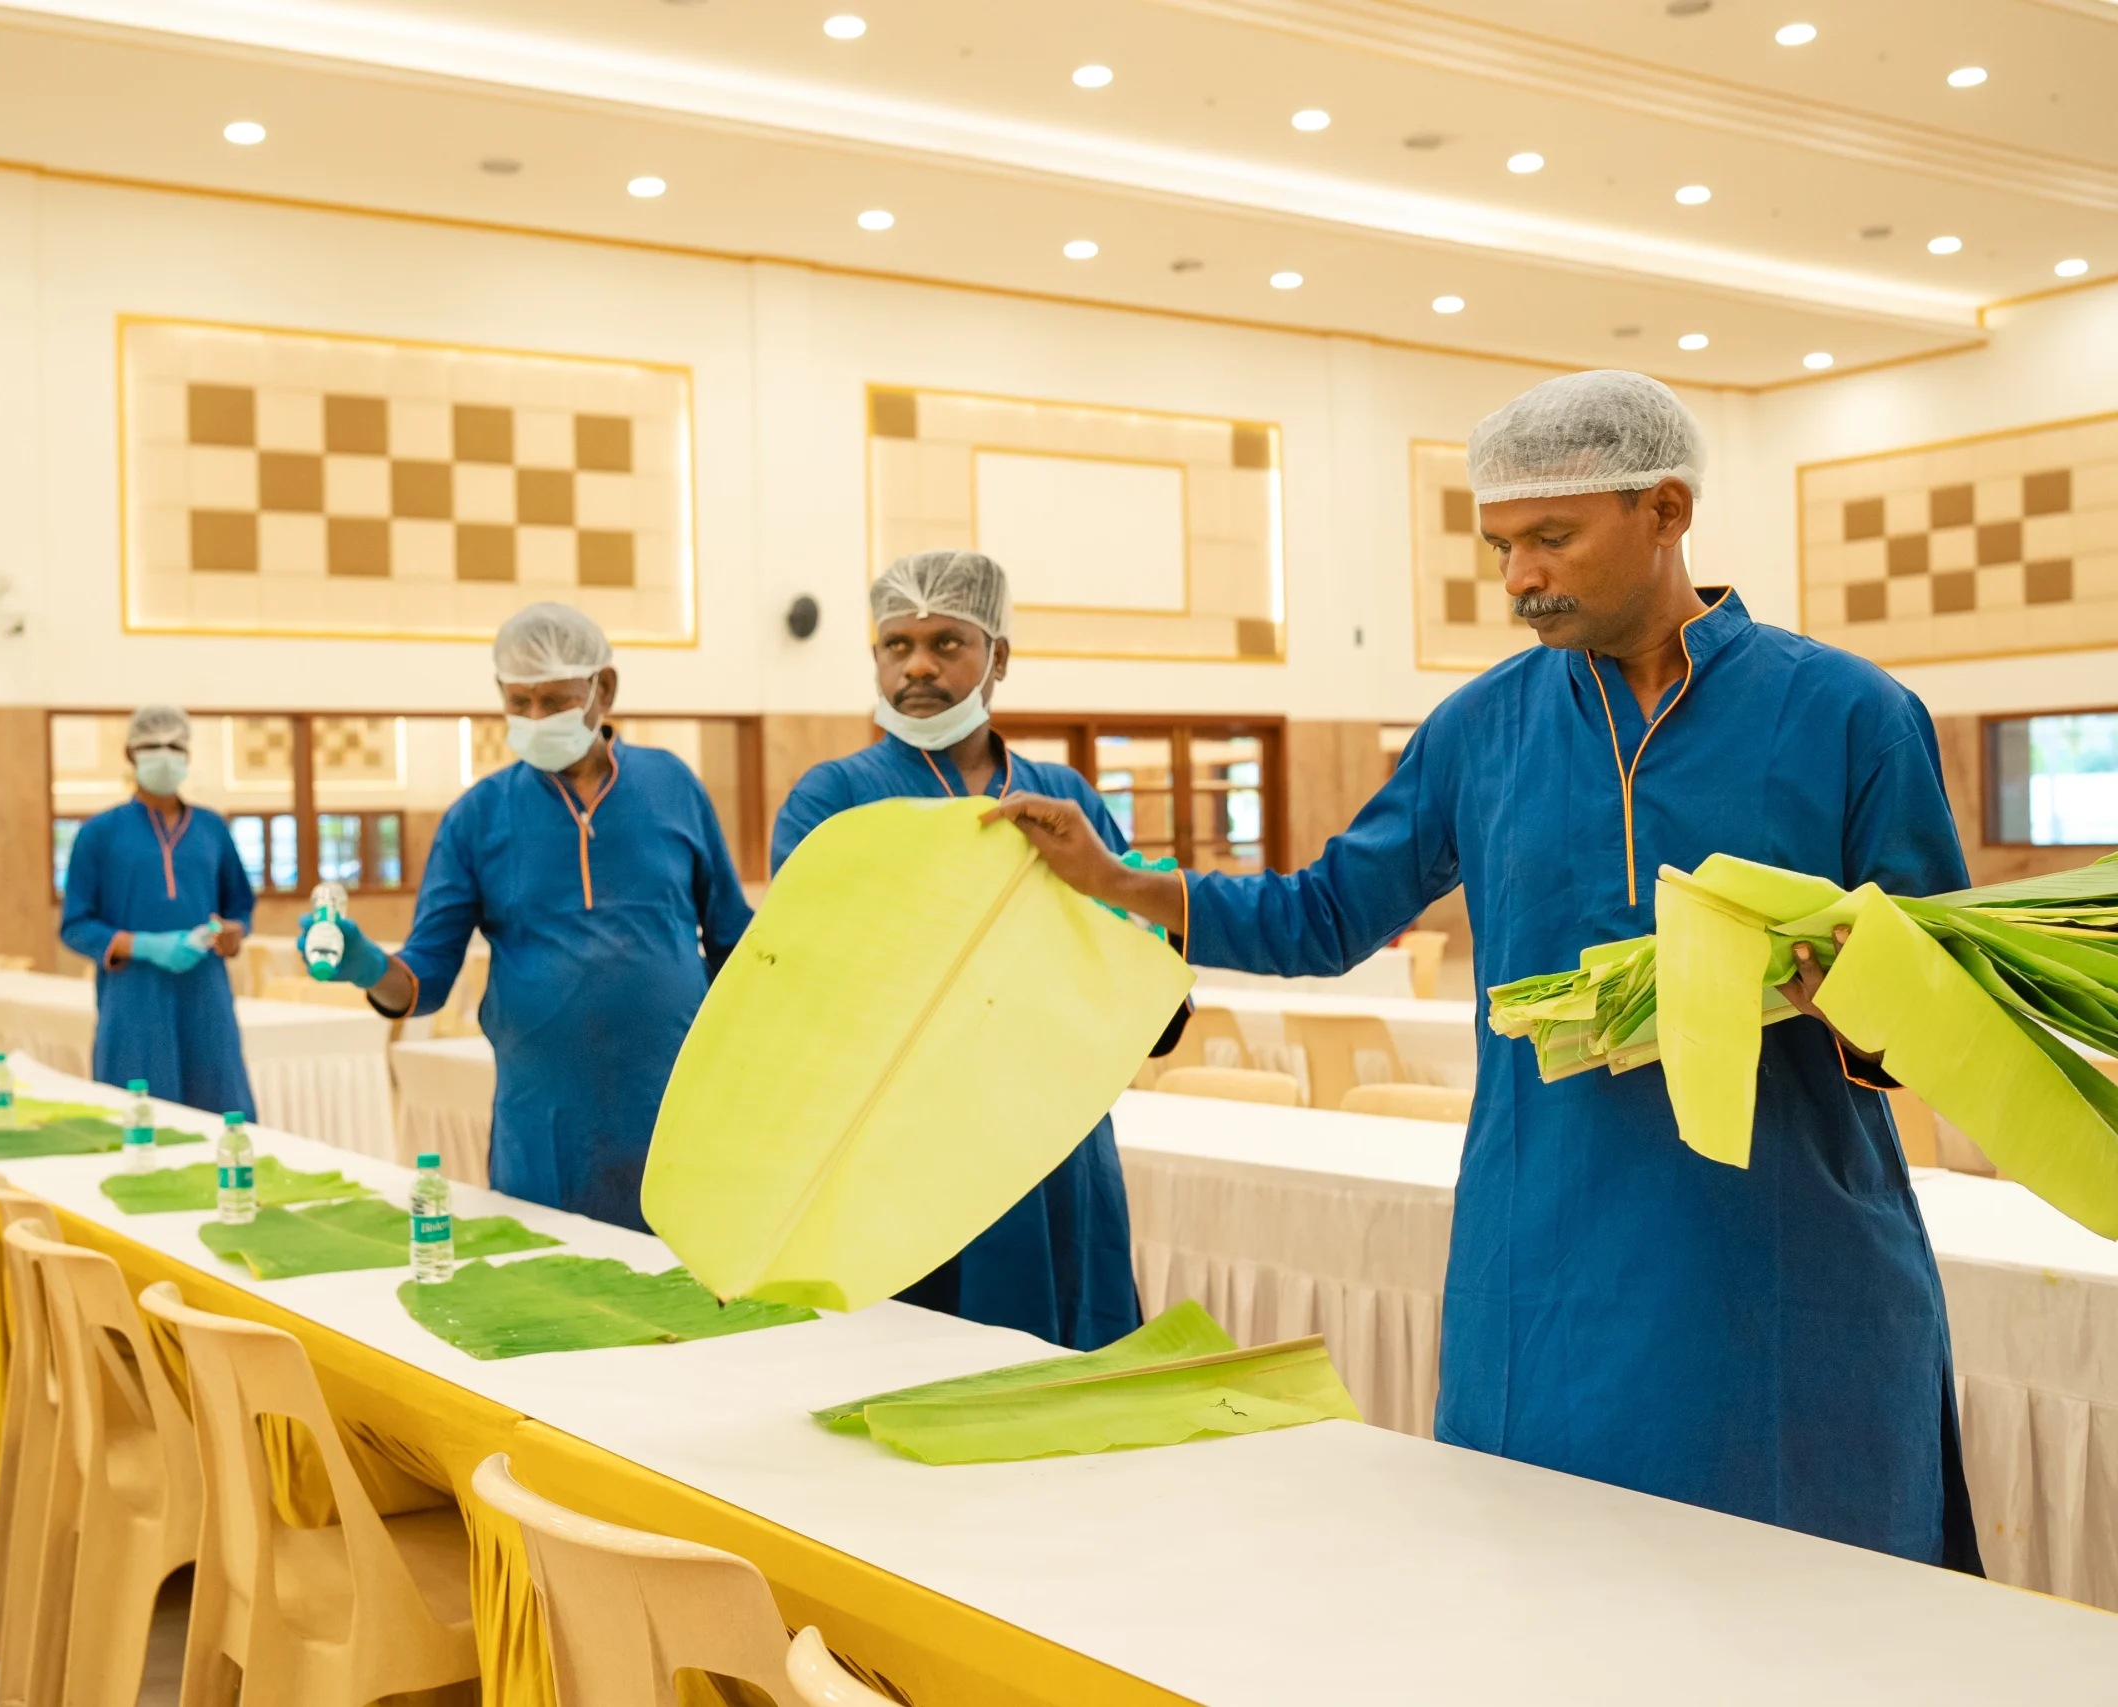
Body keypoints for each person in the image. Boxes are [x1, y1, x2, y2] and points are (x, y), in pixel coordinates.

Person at [984, 370, 1980, 1568]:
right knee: (1545, 1591)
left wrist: (1854, 997)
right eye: (1501, 545)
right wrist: (1121, 883)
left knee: (1815, 1603)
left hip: (1782, 1251)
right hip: (1544, 1251)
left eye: (1551, 537)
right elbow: (1327, 914)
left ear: (1666, 511)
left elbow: (1949, 1005)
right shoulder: (1480, 729)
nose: (1517, 578)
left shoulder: (1848, 716)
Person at [772, 550, 1155, 1353]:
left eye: (946, 642)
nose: (917, 665)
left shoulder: (1066, 800)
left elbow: (1132, 960)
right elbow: (803, 977)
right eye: (896, 645)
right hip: (902, 1142)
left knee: (1061, 1370)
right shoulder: (833, 799)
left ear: (998, 656)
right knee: (908, 1367)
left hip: (1055, 1142)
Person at [307, 603, 752, 1230]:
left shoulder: (672, 786)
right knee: (552, 1270)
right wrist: (369, 967)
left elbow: (735, 941)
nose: (537, 719)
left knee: (688, 1271)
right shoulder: (478, 817)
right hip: (544, 1124)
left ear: (604, 689)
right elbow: (425, 980)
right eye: (519, 702)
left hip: (674, 1102)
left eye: (556, 701)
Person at [58, 704, 257, 1118]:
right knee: (138, 1118)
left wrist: (233, 932)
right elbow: (75, 925)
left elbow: (239, 906)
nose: (164, 755)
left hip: (205, 995)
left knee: (220, 1113)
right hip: (133, 1001)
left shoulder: (212, 829)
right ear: (130, 754)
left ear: (188, 756)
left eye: (174, 746)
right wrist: (142, 945)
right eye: (152, 746)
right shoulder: (98, 834)